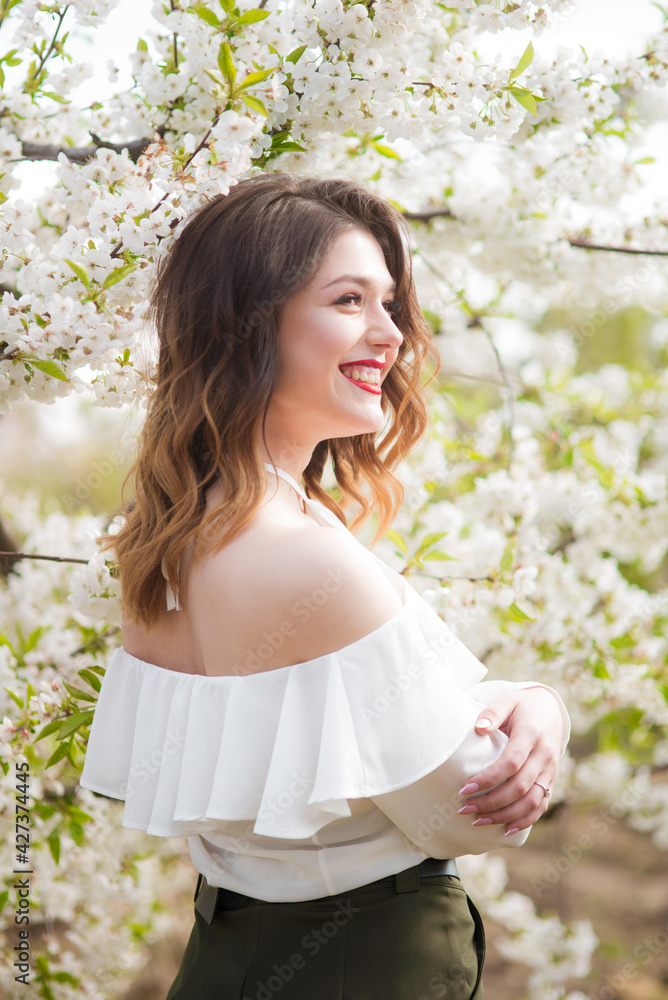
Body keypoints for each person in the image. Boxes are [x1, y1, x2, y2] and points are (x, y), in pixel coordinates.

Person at [79, 173, 569, 1000]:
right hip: (361, 964)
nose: (391, 334)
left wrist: (520, 700)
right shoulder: (304, 559)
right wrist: (539, 706)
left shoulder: (164, 543)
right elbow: (469, 809)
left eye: (390, 304)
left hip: (224, 957)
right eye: (348, 300)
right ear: (247, 326)